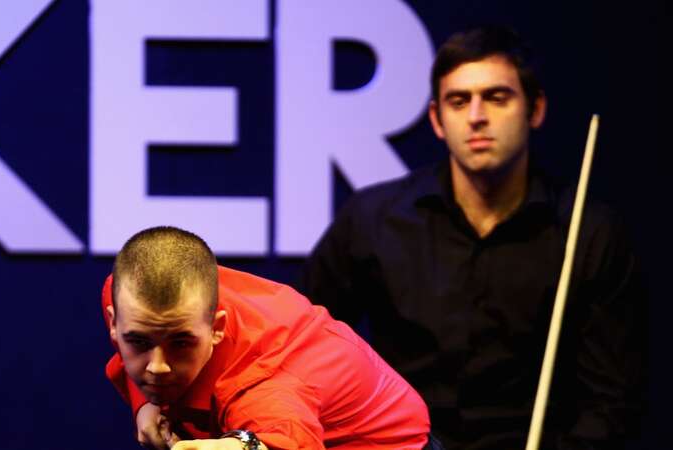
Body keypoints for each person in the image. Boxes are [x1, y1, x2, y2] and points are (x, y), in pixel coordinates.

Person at [301, 26, 645, 449]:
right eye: (459, 101)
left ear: (535, 110)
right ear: (436, 120)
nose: (476, 116)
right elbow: (305, 350)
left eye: (497, 98)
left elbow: (611, 403)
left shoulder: (588, 230)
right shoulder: (373, 220)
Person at [101, 226, 431, 450]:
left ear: (217, 328)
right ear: (117, 322)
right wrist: (146, 403)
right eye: (140, 342)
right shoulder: (133, 293)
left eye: (181, 343)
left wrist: (243, 445)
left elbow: (285, 436)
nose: (157, 368)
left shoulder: (262, 384)